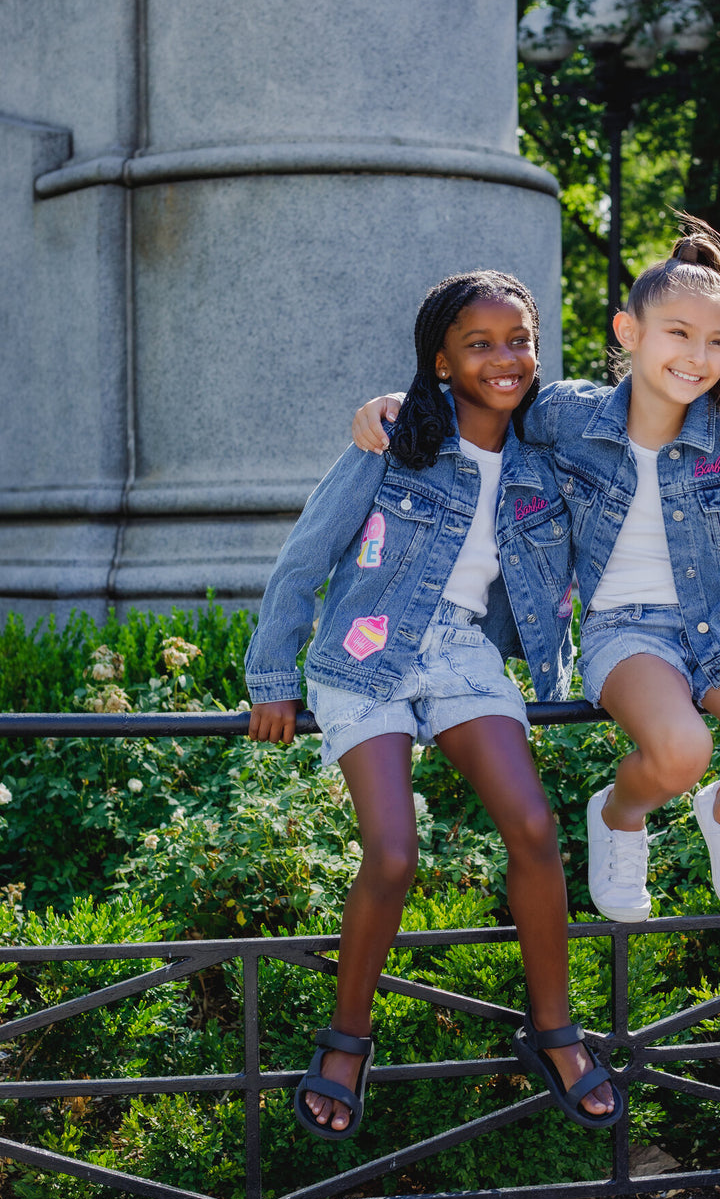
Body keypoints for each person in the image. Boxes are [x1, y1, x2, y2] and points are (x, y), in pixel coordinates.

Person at [351, 220, 720, 927]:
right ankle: (620, 817)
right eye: (678, 333)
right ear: (630, 331)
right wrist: (398, 404)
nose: (699, 355)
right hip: (629, 635)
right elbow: (485, 395)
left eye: (717, 340)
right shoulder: (567, 415)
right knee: (683, 750)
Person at [246, 271, 620, 1139]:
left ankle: (554, 1030)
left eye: (519, 339)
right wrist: (275, 679)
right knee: (392, 849)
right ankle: (347, 1038)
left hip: (463, 656)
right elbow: (307, 557)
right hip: (366, 655)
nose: (506, 358)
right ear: (442, 361)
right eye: (481, 344)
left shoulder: (545, 456)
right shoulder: (394, 441)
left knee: (531, 826)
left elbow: (634, 418)